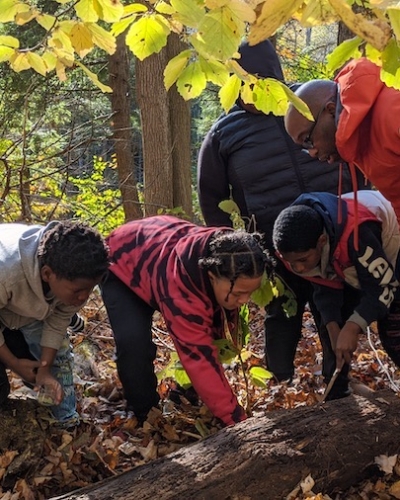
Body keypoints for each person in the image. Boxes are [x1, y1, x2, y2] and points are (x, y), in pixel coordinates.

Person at [197, 39, 368, 398]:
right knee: (281, 313)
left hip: (332, 236)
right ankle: (279, 385)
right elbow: (212, 199)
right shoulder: (224, 134)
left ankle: (337, 386)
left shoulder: (308, 104)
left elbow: (354, 153)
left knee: (334, 311)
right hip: (273, 248)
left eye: (264, 80)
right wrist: (233, 251)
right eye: (248, 81)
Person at [100, 215, 273, 426]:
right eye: (238, 294)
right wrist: (236, 420)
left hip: (156, 251)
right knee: (134, 343)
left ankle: (184, 393)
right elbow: (199, 357)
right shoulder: (181, 290)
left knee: (213, 335)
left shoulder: (232, 252)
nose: (244, 301)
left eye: (249, 293)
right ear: (211, 276)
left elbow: (213, 339)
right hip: (122, 261)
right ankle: (145, 413)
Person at [272, 190, 400, 381]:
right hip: (371, 263)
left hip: (394, 242)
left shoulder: (357, 234)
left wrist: (353, 326)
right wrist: (333, 327)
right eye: (291, 262)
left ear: (322, 242)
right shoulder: (296, 249)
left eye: (302, 260)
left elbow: (383, 287)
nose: (298, 268)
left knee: (393, 331)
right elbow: (324, 285)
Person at [0, 220, 109, 426]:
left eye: (91, 289)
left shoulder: (71, 274)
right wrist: (14, 363)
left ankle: (65, 420)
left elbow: (57, 323)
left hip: (27, 312)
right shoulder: (6, 273)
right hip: (11, 301)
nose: (83, 297)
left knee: (55, 358)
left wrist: (44, 369)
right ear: (47, 274)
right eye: (78, 291)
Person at [284, 57, 400, 222]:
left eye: (308, 140)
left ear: (331, 110)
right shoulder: (359, 140)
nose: (311, 153)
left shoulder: (392, 112)